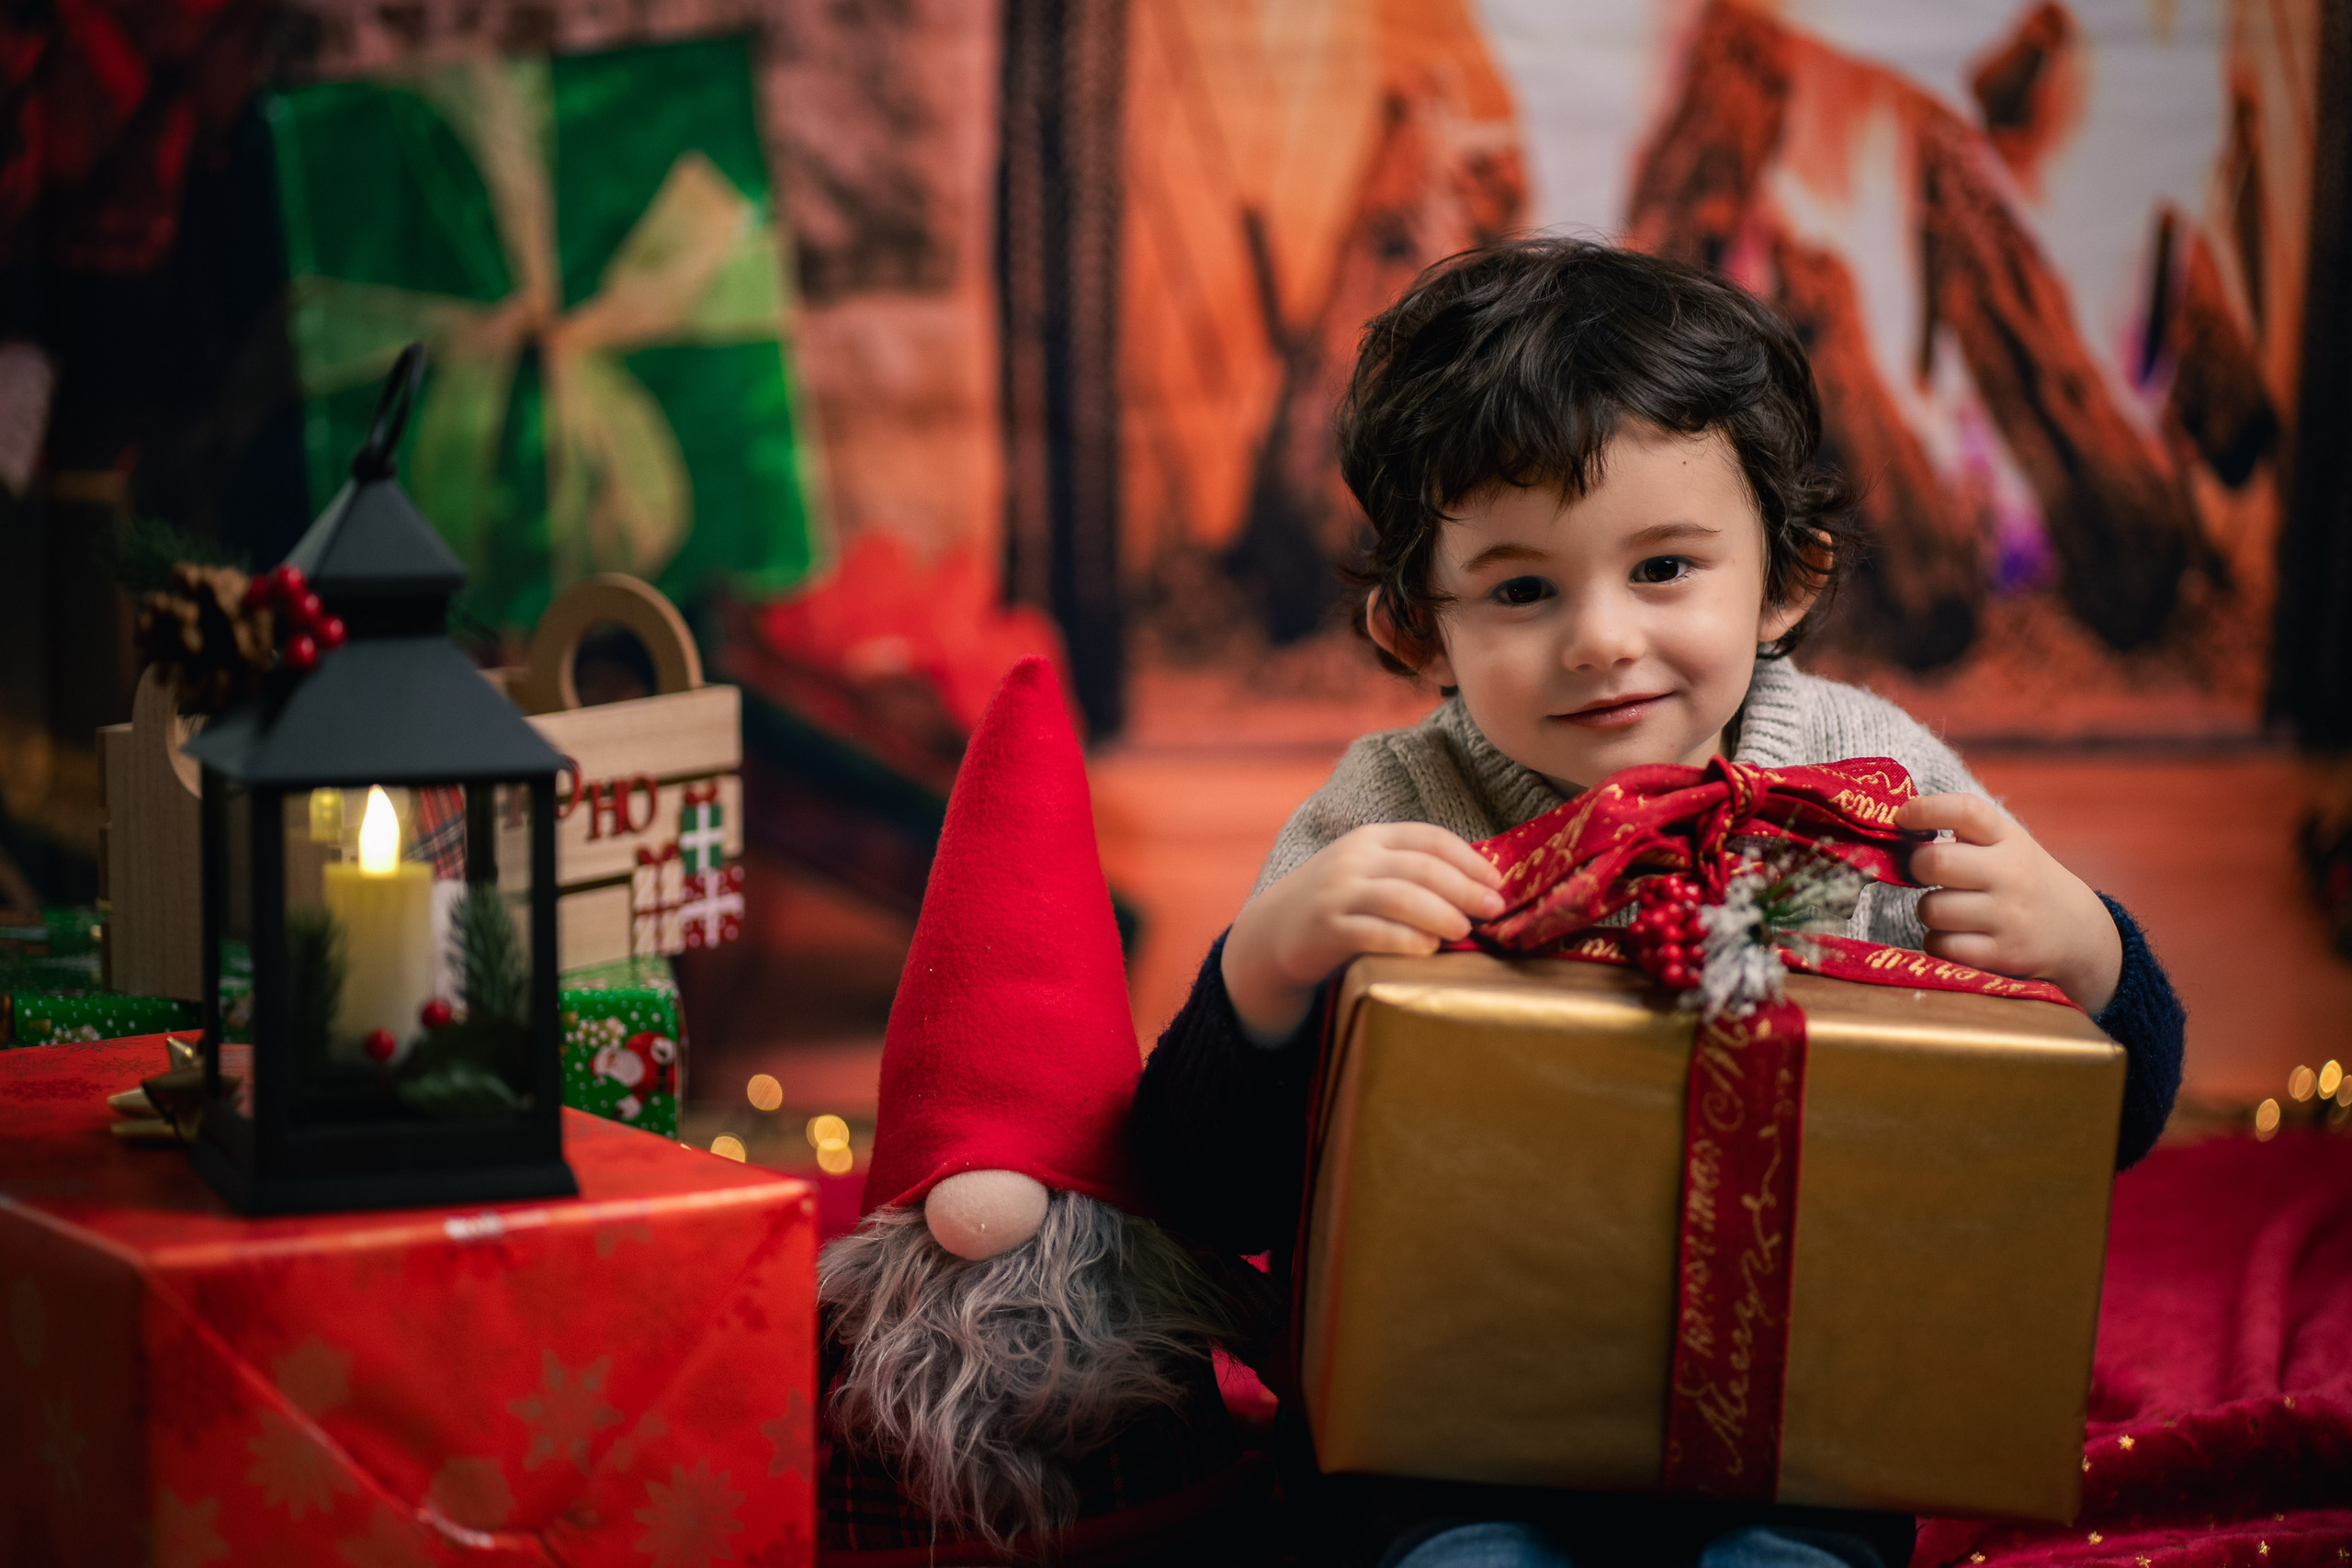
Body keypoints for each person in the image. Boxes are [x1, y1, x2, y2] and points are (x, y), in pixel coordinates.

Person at [1129, 238, 2186, 1568]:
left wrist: (2089, 956)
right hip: (1447, 1424)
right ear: (1416, 627)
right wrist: (1267, 971)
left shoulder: (1876, 786)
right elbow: (1199, 1184)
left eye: (1666, 569)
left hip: (1801, 1414)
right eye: (1522, 589)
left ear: (1788, 579)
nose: (1601, 640)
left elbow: (2107, 1124)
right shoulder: (1391, 807)